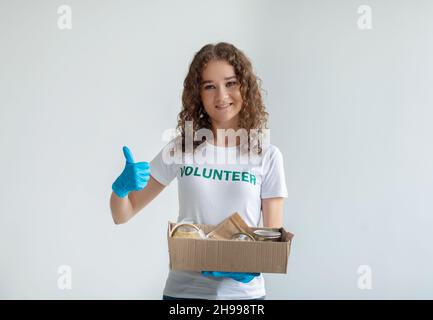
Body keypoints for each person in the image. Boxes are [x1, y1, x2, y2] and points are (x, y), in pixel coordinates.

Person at [110, 42, 288, 300]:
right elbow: (122, 214)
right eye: (209, 87)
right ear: (198, 95)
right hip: (184, 294)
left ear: (245, 87)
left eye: (230, 83)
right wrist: (120, 190)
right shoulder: (181, 149)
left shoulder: (268, 156)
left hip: (244, 298)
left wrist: (250, 267)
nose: (221, 96)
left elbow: (272, 242)